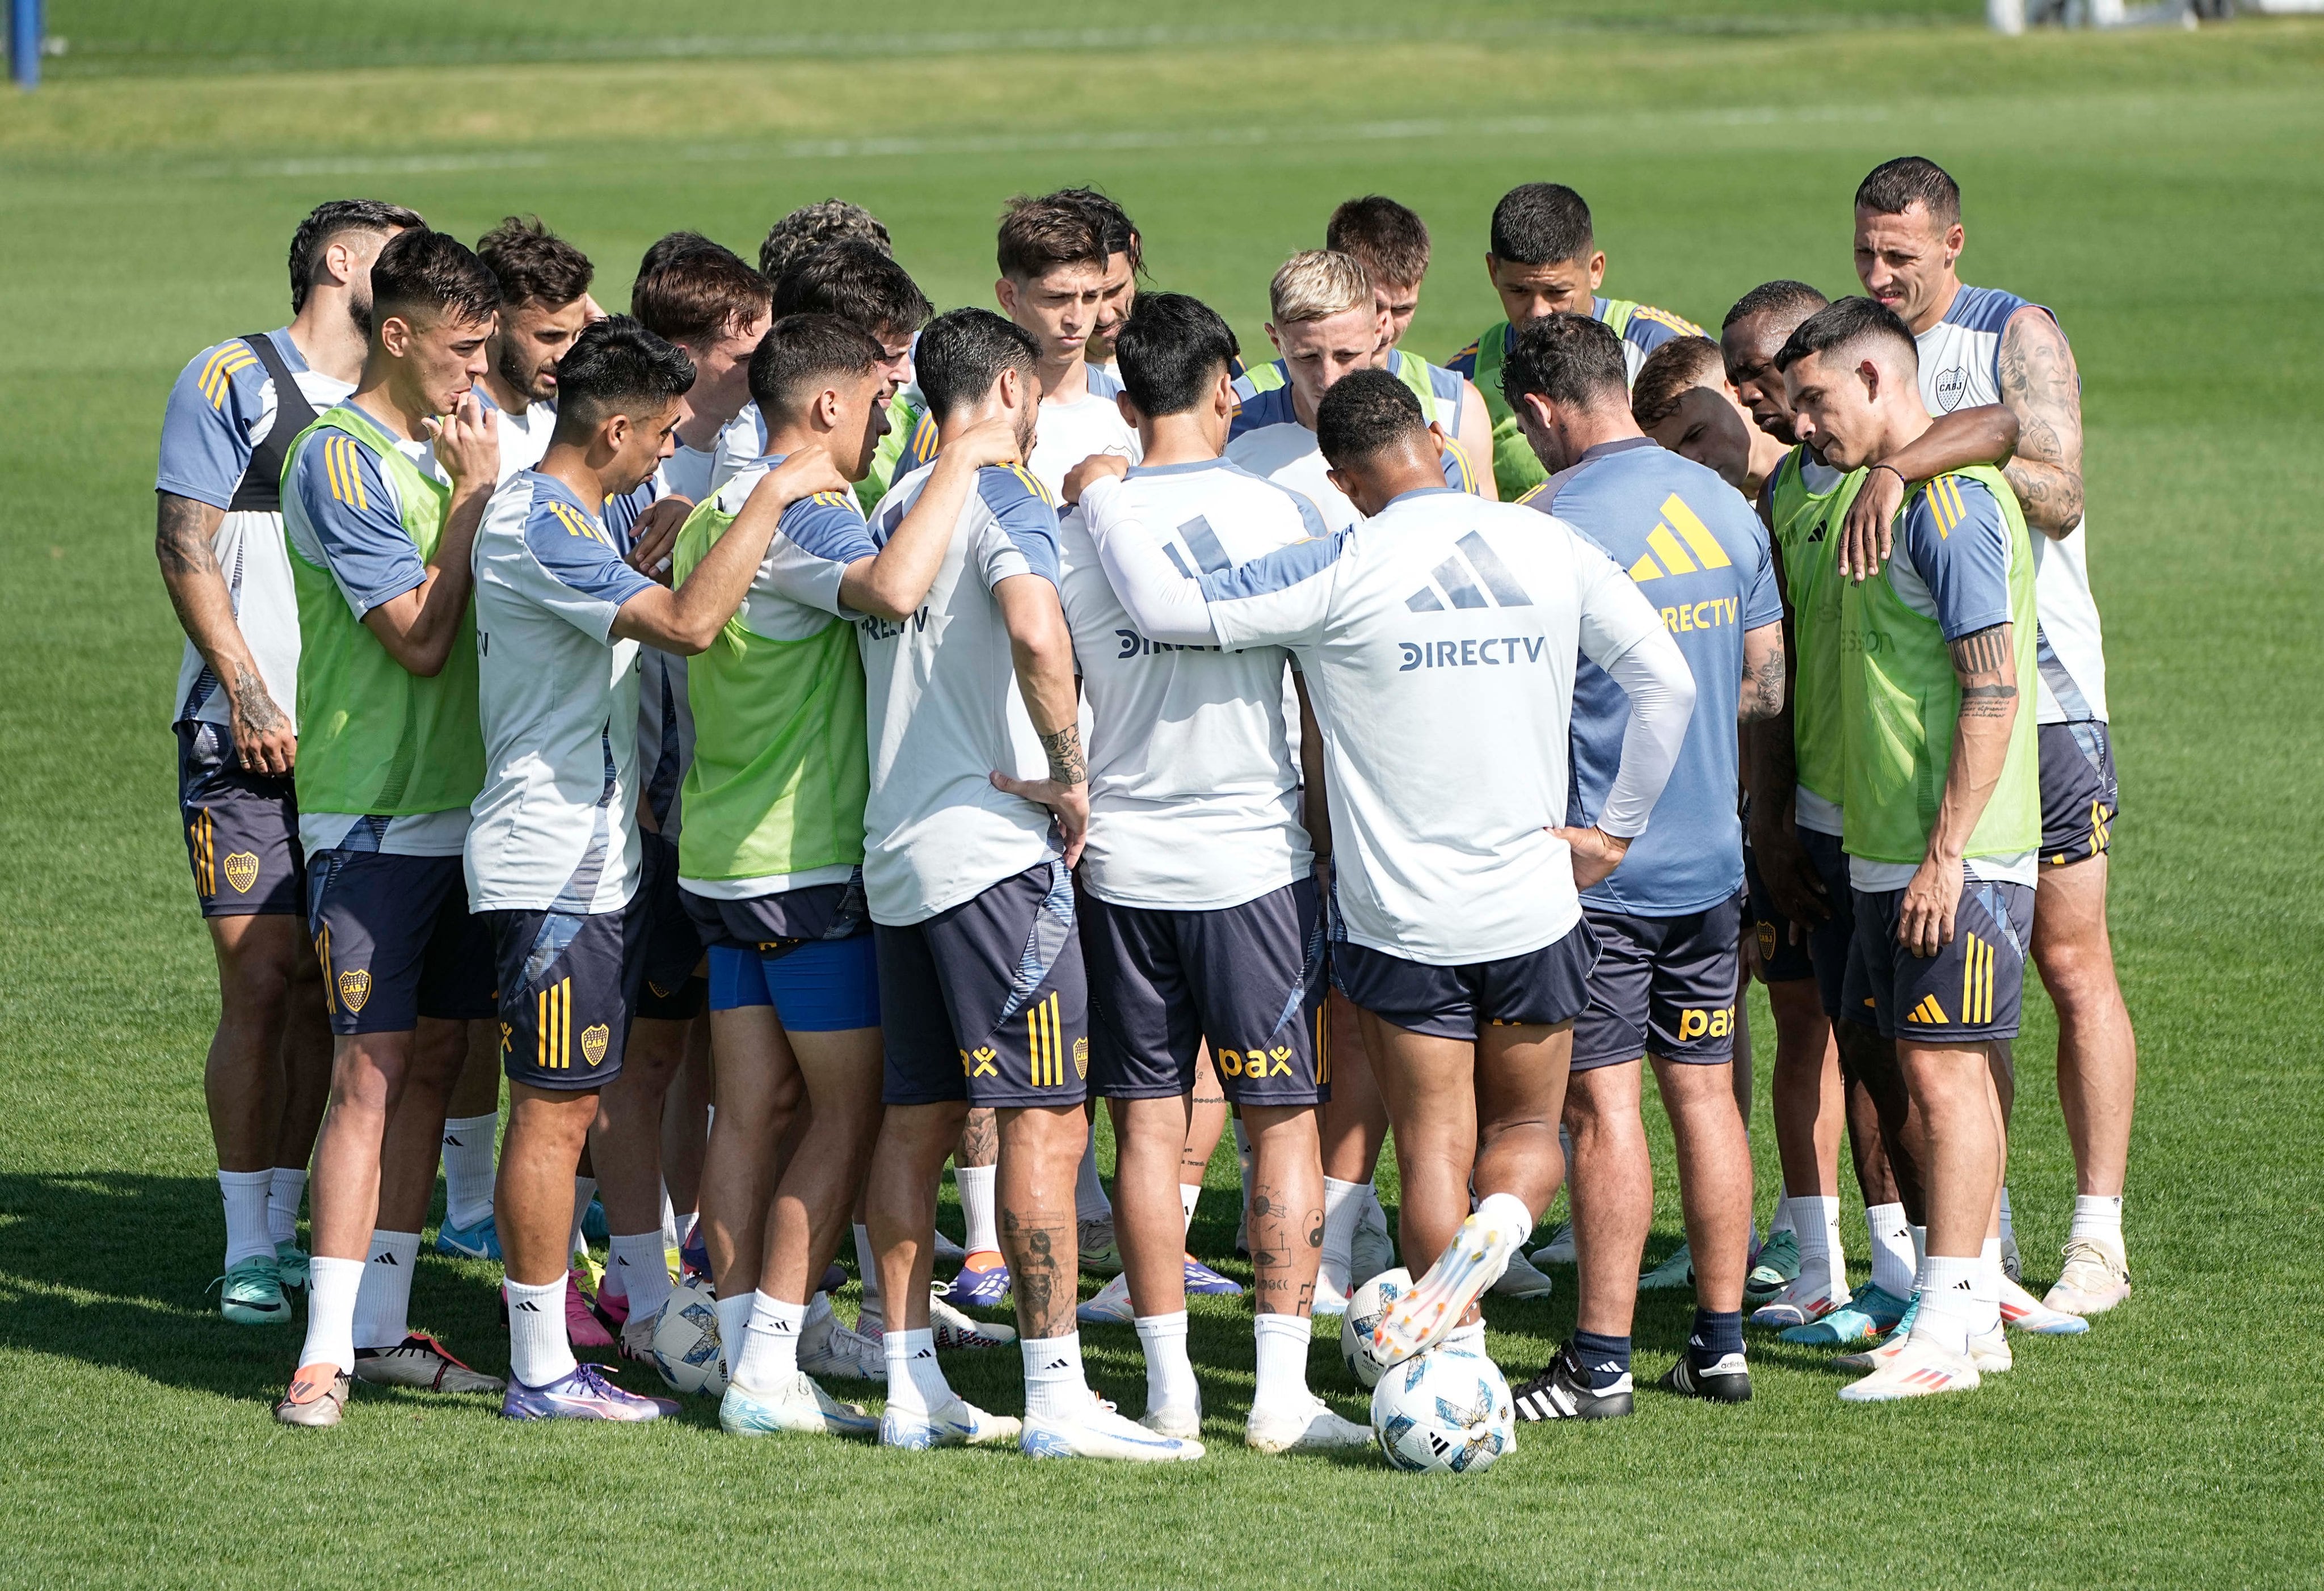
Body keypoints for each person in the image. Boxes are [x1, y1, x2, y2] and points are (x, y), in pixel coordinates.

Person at [1075, 370, 1694, 1387]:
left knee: (1431, 1147)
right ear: (1436, 447)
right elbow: (1663, 682)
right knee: (1536, 1128)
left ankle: (1454, 1359)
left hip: (1400, 918)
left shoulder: (1340, 561)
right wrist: (1612, 833)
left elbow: (1163, 604)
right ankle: (1497, 1233)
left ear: (1344, 480)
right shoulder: (1549, 542)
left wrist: (1102, 492)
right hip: (1535, 898)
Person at [852, 308, 1197, 1461]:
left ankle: (910, 1388)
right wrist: (1070, 771)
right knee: (1046, 1122)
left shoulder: (898, 503)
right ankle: (1055, 1396)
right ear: (1011, 386)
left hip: (896, 855)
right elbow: (1037, 631)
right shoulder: (1000, 496)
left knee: (916, 1122)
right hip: (993, 857)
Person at [673, 314, 1016, 1441]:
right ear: (825, 407)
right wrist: (962, 459)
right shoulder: (809, 517)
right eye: (876, 401)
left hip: (722, 855)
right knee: (848, 1110)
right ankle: (768, 1362)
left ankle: (742, 1353)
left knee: (751, 1112)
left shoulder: (715, 514)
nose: (889, 420)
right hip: (806, 862)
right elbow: (892, 592)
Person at [1048, 293, 1370, 1453]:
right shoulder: (1280, 510)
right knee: (1278, 1122)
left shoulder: (1085, 523)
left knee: (1141, 1130)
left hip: (1123, 864)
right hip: (1253, 861)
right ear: (1226, 387)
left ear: (1126, 403)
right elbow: (1324, 697)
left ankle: (1169, 1394)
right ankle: (1279, 1399)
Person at [1851, 157, 2134, 1315]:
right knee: (1970, 985)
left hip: (2048, 696)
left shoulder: (2008, 332)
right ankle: (1986, 1237)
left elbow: (2060, 492)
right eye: (1864, 253)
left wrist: (1915, 454)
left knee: (2066, 960)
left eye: (1899, 259)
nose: (1878, 275)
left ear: (1951, 244)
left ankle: (2096, 1233)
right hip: (1929, 712)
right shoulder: (1858, 346)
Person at [1725, 278, 2027, 1346]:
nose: (1790, 421)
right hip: (1862, 834)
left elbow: (1992, 688)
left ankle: (1963, 1308)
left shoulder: (1940, 499)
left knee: (1944, 1069)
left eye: (1803, 396)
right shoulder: (1822, 488)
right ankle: (1930, 1295)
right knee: (1883, 1049)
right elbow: (1789, 668)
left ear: (1867, 375)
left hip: (1946, 842)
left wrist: (1947, 850)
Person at [1496, 314, 1783, 1419]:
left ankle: (1600, 1363)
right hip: (1710, 863)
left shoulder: (1548, 524)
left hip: (1595, 879)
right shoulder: (1724, 499)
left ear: (1536, 410)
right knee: (1705, 1096)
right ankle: (1717, 1346)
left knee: (1600, 1110)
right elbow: (1763, 685)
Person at [157, 197, 420, 1326]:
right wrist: (250, 687)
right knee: (260, 981)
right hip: (242, 739)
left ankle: (311, 1228)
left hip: (358, 752)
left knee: (329, 997)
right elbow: (184, 541)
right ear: (341, 262)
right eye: (406, 255)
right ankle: (249, 1245)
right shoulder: (231, 379)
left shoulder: (407, 404)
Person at [270, 228, 509, 1426]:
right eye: (464, 348)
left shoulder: (449, 437)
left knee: (431, 1072)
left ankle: (383, 1324)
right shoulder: (341, 459)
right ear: (399, 333)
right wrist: (474, 500)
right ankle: (320, 1351)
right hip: (373, 819)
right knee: (368, 1074)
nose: (482, 370)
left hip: (473, 814)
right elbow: (417, 639)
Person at [430, 215, 599, 1274]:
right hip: (470, 765)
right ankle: (464, 1200)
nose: (565, 355)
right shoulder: (466, 436)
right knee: (458, 1019)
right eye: (547, 335)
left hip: (531, 760)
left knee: (507, 1021)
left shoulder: (550, 424)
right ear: (490, 331)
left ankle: (496, 1207)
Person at [1449, 182, 1703, 500]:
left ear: (1595, 270)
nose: (1538, 312)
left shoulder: (1663, 347)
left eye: (1557, 292)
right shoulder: (1463, 384)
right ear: (1492, 272)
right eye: (1519, 291)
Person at [1227, 251, 1486, 532]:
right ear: (1277, 341)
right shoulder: (1227, 438)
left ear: (1378, 334)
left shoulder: (1433, 457)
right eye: (1307, 357)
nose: (1328, 379)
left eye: (1346, 355)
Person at [711, 237, 932, 513]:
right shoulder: (755, 453)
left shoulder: (891, 402)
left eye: (905, 354)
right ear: (829, 346)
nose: (904, 375)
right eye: (888, 356)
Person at [1323, 195, 1500, 488]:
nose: (1387, 327)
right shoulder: (1253, 397)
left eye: (1403, 309)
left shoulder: (1459, 407)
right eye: (1374, 305)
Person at [992, 193, 1142, 497]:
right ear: (1009, 297)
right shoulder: (964, 416)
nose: (1078, 319)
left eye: (1090, 296)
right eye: (1057, 298)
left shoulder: (1135, 410)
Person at [1630, 335, 1788, 498]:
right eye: (1674, 455)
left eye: (1695, 434)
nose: (1690, 462)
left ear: (1737, 391)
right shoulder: (1713, 521)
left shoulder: (1814, 452)